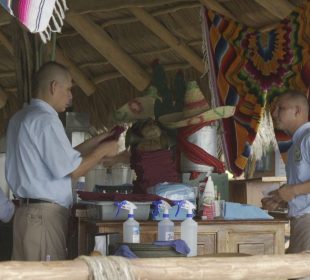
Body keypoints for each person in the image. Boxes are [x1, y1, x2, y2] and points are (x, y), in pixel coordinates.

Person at [5, 61, 119, 261]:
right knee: (47, 275)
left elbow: (62, 158)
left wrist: (97, 141)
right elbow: (72, 170)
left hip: (27, 215)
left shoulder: (21, 117)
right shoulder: (46, 120)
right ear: (53, 87)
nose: (71, 96)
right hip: (43, 217)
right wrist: (102, 151)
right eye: (68, 89)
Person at [261, 89, 310, 254]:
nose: (274, 113)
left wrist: (293, 191)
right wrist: (282, 198)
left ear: (297, 111)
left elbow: (297, 190)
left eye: (280, 108)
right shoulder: (296, 145)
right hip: (300, 222)